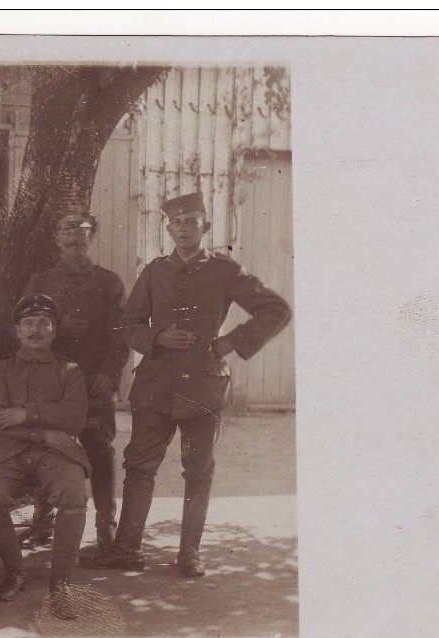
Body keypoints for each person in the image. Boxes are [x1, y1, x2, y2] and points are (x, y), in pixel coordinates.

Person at [79, 191, 291, 577]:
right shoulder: (155, 272)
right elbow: (126, 325)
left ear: (205, 226)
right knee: (140, 467)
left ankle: (189, 554)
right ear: (168, 228)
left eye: (192, 221)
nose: (184, 228)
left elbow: (276, 309)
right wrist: (157, 337)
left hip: (203, 390)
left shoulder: (225, 270)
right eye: (177, 222)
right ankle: (127, 550)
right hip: (156, 387)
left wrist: (229, 343)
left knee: (198, 470)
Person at [0, 294, 89, 620]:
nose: (35, 330)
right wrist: (44, 431)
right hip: (8, 452)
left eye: (43, 324)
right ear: (16, 331)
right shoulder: (0, 370)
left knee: (72, 491)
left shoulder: (70, 370)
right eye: (28, 324)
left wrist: (26, 414)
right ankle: (15, 571)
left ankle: (61, 584)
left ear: (54, 331)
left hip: (56, 453)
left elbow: (74, 418)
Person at [21, 210, 129, 552]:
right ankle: (43, 520)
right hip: (51, 383)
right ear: (56, 239)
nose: (74, 239)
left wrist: (109, 373)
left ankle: (105, 524)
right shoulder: (41, 281)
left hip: (93, 385)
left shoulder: (109, 282)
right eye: (66, 233)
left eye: (81, 233)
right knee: (47, 446)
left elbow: (121, 335)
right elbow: (27, 331)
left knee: (100, 450)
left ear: (91, 237)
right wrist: (59, 330)